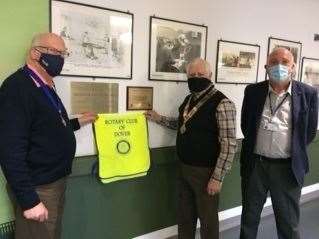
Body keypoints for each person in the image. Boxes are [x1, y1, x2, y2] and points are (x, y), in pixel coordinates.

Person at [0, 33, 97, 239]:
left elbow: (48, 128)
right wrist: (29, 201)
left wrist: (77, 122)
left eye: (64, 54)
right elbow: (9, 149)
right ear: (36, 53)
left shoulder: (45, 85)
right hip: (38, 187)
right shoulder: (17, 88)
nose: (60, 59)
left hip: (54, 181)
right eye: (56, 52)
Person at [145, 58, 237, 239]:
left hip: (206, 172)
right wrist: (158, 118)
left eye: (200, 75)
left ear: (210, 76)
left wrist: (217, 178)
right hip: (184, 167)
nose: (196, 78)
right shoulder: (189, 99)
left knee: (207, 220)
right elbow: (181, 123)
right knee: (185, 216)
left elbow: (229, 144)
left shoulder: (222, 103)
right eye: (192, 75)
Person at [240, 47, 318, 239]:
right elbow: (246, 125)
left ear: (293, 67)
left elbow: (307, 134)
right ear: (266, 67)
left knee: (288, 223)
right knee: (248, 220)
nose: (279, 66)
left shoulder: (308, 93)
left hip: (287, 168)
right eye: (274, 62)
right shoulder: (253, 91)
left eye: (284, 62)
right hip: (255, 166)